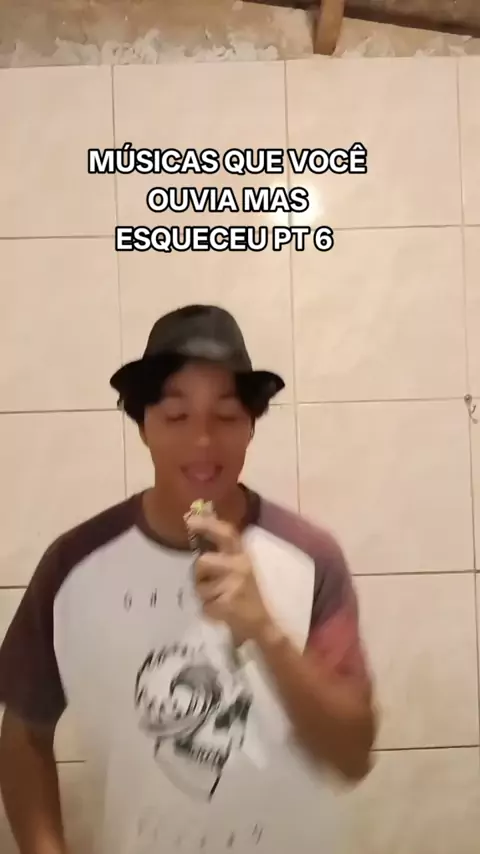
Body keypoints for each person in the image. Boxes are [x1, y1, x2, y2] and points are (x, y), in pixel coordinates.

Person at [0, 304, 376, 854]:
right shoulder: (72, 564)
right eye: (176, 416)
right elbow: (24, 731)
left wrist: (265, 632)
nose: (203, 441)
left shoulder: (311, 556)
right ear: (144, 426)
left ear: (250, 426)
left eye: (225, 416)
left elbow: (353, 755)